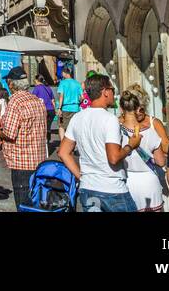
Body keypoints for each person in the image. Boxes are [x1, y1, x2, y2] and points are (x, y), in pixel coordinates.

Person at [58, 73, 138, 213]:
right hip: (112, 188)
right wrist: (131, 145)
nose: (114, 94)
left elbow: (63, 152)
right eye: (112, 90)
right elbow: (113, 158)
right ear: (105, 92)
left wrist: (82, 177)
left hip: (88, 188)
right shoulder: (109, 119)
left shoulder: (77, 118)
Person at [0, 67, 48, 210]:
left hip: (22, 162)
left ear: (11, 84)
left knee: (23, 205)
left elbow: (9, 134)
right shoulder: (36, 100)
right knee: (36, 202)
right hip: (39, 160)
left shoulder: (15, 102)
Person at [118, 90, 167, 212]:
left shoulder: (116, 131)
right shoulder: (150, 132)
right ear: (137, 109)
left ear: (122, 109)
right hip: (149, 184)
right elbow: (161, 162)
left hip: (126, 182)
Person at [55, 65, 83, 139]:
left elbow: (61, 96)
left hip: (65, 108)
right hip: (76, 108)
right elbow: (82, 97)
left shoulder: (62, 83)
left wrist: (59, 108)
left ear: (64, 73)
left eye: (62, 73)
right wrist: (77, 103)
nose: (62, 75)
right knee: (73, 126)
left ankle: (63, 143)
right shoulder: (77, 83)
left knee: (61, 126)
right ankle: (73, 143)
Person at [32, 74, 56, 143]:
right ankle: (47, 142)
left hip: (43, 111)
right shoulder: (48, 88)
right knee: (48, 127)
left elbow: (32, 99)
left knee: (41, 127)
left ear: (37, 80)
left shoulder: (37, 88)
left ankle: (43, 143)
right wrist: (55, 110)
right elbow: (53, 100)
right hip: (51, 110)